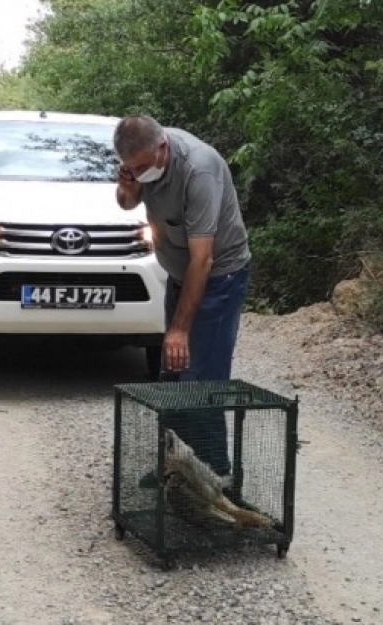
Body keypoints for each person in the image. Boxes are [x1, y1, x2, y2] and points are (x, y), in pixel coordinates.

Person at [113, 114, 251, 478]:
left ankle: (215, 476)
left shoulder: (199, 170)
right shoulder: (140, 163)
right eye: (130, 168)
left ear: (162, 149)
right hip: (179, 275)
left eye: (142, 166)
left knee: (200, 382)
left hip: (219, 277)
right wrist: (127, 186)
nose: (138, 172)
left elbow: (203, 259)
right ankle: (174, 467)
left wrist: (178, 329)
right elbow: (127, 204)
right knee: (172, 376)